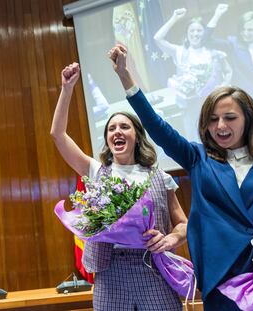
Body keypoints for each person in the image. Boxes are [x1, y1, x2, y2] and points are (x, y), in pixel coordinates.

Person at [108, 44, 253, 311]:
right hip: (223, 284)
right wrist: (125, 77)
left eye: (230, 117)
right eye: (212, 119)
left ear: (249, 119)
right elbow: (157, 126)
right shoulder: (198, 159)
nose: (220, 126)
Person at [50, 62, 188, 310]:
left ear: (137, 136)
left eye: (124, 126)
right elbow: (58, 135)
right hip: (109, 271)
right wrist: (67, 89)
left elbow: (183, 224)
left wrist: (171, 240)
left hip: (153, 268)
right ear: (107, 139)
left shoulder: (159, 176)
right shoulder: (95, 171)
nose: (117, 131)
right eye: (111, 128)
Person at [154, 8, 232, 142]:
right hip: (190, 108)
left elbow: (228, 71)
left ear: (204, 34)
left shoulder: (212, 52)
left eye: (199, 30)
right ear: (187, 34)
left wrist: (224, 85)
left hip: (213, 106)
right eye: (192, 31)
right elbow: (157, 38)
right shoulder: (180, 52)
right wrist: (174, 18)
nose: (195, 34)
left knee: (217, 141)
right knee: (195, 142)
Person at [205, 4, 253, 102]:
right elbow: (206, 40)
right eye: (242, 29)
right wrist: (217, 15)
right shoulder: (233, 44)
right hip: (243, 101)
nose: (245, 33)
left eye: (250, 30)